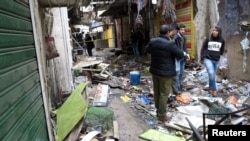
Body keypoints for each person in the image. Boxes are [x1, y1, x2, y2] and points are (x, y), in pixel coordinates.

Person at [146, 24, 187, 122]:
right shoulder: (170, 44)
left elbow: (147, 50)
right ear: (168, 33)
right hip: (166, 73)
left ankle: (158, 110)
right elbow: (180, 55)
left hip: (155, 70)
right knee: (164, 94)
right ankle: (161, 115)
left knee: (157, 91)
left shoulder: (153, 41)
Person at [200, 26, 225, 96]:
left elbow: (222, 50)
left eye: (216, 31)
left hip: (216, 60)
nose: (214, 32)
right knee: (211, 73)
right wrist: (202, 57)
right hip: (208, 59)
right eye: (213, 30)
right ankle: (214, 89)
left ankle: (210, 88)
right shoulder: (208, 39)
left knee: (213, 75)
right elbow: (203, 48)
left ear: (219, 32)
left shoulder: (222, 40)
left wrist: (217, 55)